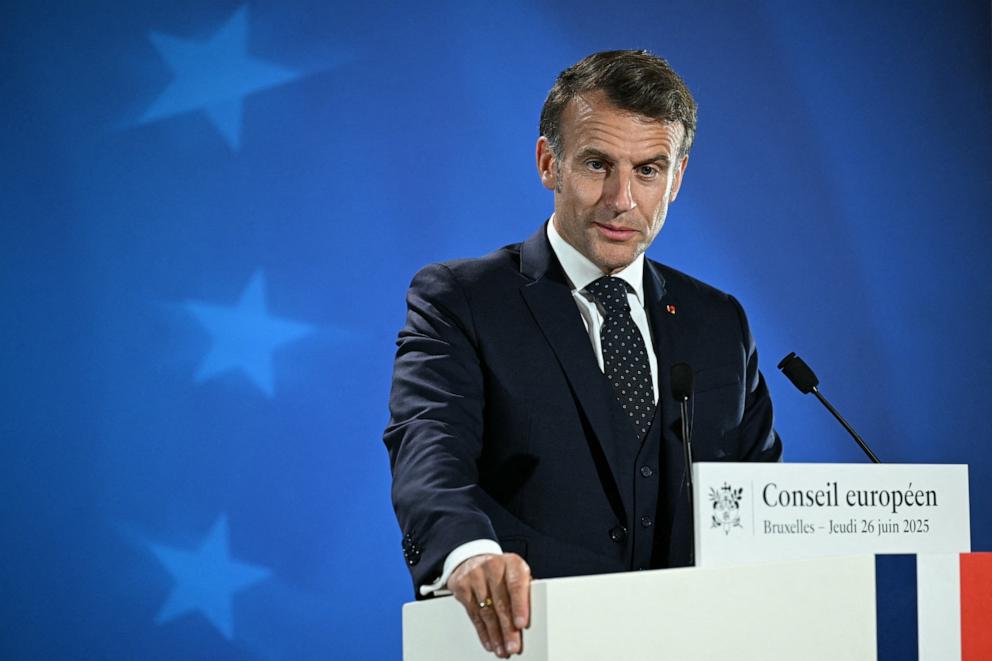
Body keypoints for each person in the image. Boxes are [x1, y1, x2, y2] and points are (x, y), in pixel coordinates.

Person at [384, 50, 782, 658]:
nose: (623, 199)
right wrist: (469, 553)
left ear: (676, 178)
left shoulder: (718, 322)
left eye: (649, 170)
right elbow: (429, 449)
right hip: (529, 641)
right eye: (598, 164)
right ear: (550, 163)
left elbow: (760, 499)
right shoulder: (463, 300)